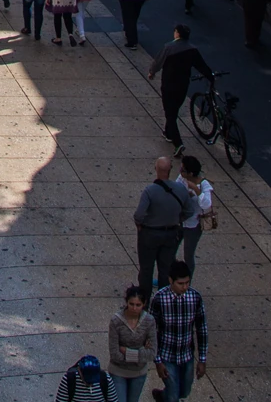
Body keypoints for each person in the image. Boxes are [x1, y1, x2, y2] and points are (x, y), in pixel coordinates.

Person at [147, 262, 208, 402]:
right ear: (170, 280)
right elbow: (151, 332)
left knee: (184, 391)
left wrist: (202, 359)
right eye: (181, 283)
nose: (185, 287)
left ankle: (162, 396)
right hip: (167, 355)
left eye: (187, 282)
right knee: (173, 397)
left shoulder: (195, 298)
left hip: (186, 355)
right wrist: (157, 361)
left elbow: (202, 329)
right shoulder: (159, 299)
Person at [132, 158, 191, 296]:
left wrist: (140, 225)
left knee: (146, 269)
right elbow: (189, 211)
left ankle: (144, 302)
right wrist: (177, 219)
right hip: (171, 234)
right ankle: (163, 301)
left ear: (156, 169)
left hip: (149, 234)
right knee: (165, 270)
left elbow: (139, 214)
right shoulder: (180, 189)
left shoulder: (150, 191)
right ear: (170, 170)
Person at [146, 26, 210, 149]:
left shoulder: (169, 47)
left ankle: (178, 142)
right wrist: (210, 77)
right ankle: (168, 133)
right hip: (183, 85)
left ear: (177, 34)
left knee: (169, 112)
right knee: (173, 110)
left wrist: (152, 72)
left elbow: (158, 62)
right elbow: (201, 65)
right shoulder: (192, 50)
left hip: (168, 84)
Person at [104, 285, 157, 402]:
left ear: (144, 304)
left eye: (138, 305)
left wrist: (127, 352)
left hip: (139, 373)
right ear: (126, 302)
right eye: (131, 304)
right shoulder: (116, 321)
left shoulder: (149, 321)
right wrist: (141, 352)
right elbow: (114, 353)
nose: (134, 308)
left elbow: (152, 353)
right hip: (118, 371)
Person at [175, 155, 214, 271]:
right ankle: (169, 278)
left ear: (190, 173)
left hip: (193, 226)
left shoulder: (204, 185)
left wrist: (196, 191)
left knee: (188, 255)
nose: (180, 171)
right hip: (180, 220)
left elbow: (206, 204)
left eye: (183, 170)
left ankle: (187, 283)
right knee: (169, 251)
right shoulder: (182, 178)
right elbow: (175, 190)